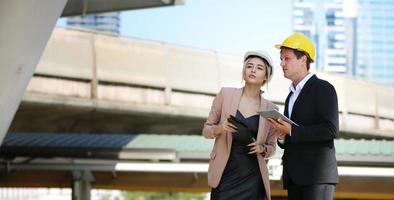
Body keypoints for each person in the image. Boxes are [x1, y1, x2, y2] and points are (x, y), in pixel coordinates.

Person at [268, 32, 339, 200]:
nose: (282, 64)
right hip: (294, 178)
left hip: (317, 177)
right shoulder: (290, 96)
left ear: (303, 60)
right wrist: (282, 136)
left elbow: (330, 130)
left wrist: (292, 130)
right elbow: (291, 137)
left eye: (287, 58)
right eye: (281, 59)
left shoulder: (323, 88)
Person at [203, 50, 277, 200]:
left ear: (266, 77)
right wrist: (219, 128)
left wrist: (261, 148)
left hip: (252, 176)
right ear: (244, 71)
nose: (253, 70)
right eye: (249, 66)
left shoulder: (271, 109)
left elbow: (272, 148)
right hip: (225, 174)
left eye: (259, 68)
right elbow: (206, 130)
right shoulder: (225, 94)